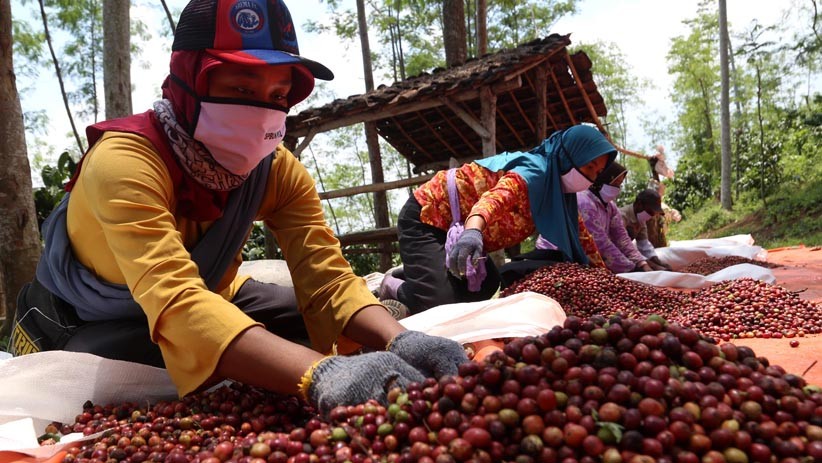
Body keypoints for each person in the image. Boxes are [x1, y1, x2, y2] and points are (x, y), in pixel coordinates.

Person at [10, 0, 466, 415]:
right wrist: (318, 373)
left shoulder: (277, 170)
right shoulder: (125, 162)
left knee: (298, 318)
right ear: (188, 79)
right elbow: (175, 300)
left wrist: (398, 338)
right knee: (121, 379)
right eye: (242, 89)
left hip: (213, 298)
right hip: (96, 321)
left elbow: (325, 277)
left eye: (277, 97)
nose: (261, 114)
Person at [379, 124, 616, 313]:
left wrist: (608, 282)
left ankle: (421, 273)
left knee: (488, 285)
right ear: (569, 154)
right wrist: (473, 232)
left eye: (597, 173)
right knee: (441, 307)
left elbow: (584, 240)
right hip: (427, 216)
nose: (591, 178)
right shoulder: (536, 171)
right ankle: (395, 286)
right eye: (589, 166)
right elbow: (494, 199)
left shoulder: (561, 198)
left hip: (461, 229)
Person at [577, 162, 655, 273]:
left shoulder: (610, 206)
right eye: (614, 183)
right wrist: (631, 268)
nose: (617, 188)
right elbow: (600, 243)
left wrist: (641, 263)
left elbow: (622, 238)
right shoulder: (584, 202)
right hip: (569, 260)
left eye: (619, 184)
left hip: (593, 262)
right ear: (601, 179)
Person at [619, 189, 673, 271]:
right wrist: (653, 266)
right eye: (650, 212)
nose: (650, 216)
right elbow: (624, 247)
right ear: (639, 204)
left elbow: (644, 244)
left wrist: (658, 262)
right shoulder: (622, 217)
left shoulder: (641, 220)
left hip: (629, 254)